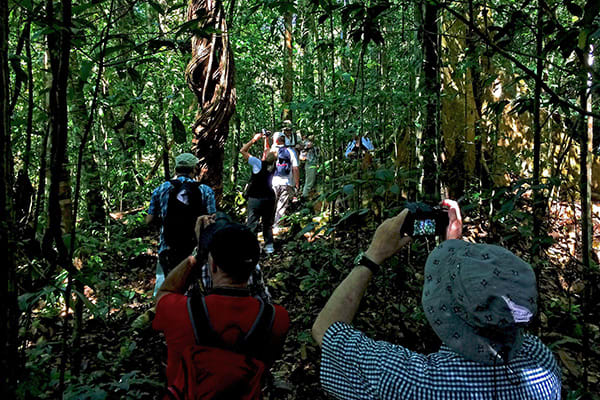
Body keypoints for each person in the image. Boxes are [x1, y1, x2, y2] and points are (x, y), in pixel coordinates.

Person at [312, 200, 561, 399]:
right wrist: (454, 249)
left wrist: (373, 255)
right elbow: (492, 309)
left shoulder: (416, 384)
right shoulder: (542, 364)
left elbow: (325, 330)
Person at [153, 222, 290, 392]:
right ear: (254, 265)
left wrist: (197, 255)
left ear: (212, 265)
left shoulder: (179, 311)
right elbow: (267, 362)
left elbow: (164, 292)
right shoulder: (277, 319)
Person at [146, 153, 216, 296]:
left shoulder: (161, 189)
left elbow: (149, 220)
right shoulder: (205, 190)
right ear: (193, 169)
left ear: (176, 169)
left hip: (168, 247)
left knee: (171, 288)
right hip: (196, 249)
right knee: (194, 289)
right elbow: (212, 220)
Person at [240, 132, 277, 254]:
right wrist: (266, 139)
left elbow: (243, 151)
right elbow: (267, 151)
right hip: (270, 198)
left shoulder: (258, 163)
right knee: (267, 223)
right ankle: (269, 246)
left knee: (252, 222)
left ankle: (251, 248)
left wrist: (253, 140)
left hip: (256, 198)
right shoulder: (273, 166)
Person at [271, 133, 300, 231]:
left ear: (276, 140)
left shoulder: (274, 151)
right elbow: (295, 168)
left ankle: (267, 225)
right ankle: (277, 226)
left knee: (271, 204)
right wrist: (297, 183)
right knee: (281, 206)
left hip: (274, 182)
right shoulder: (291, 151)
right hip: (286, 183)